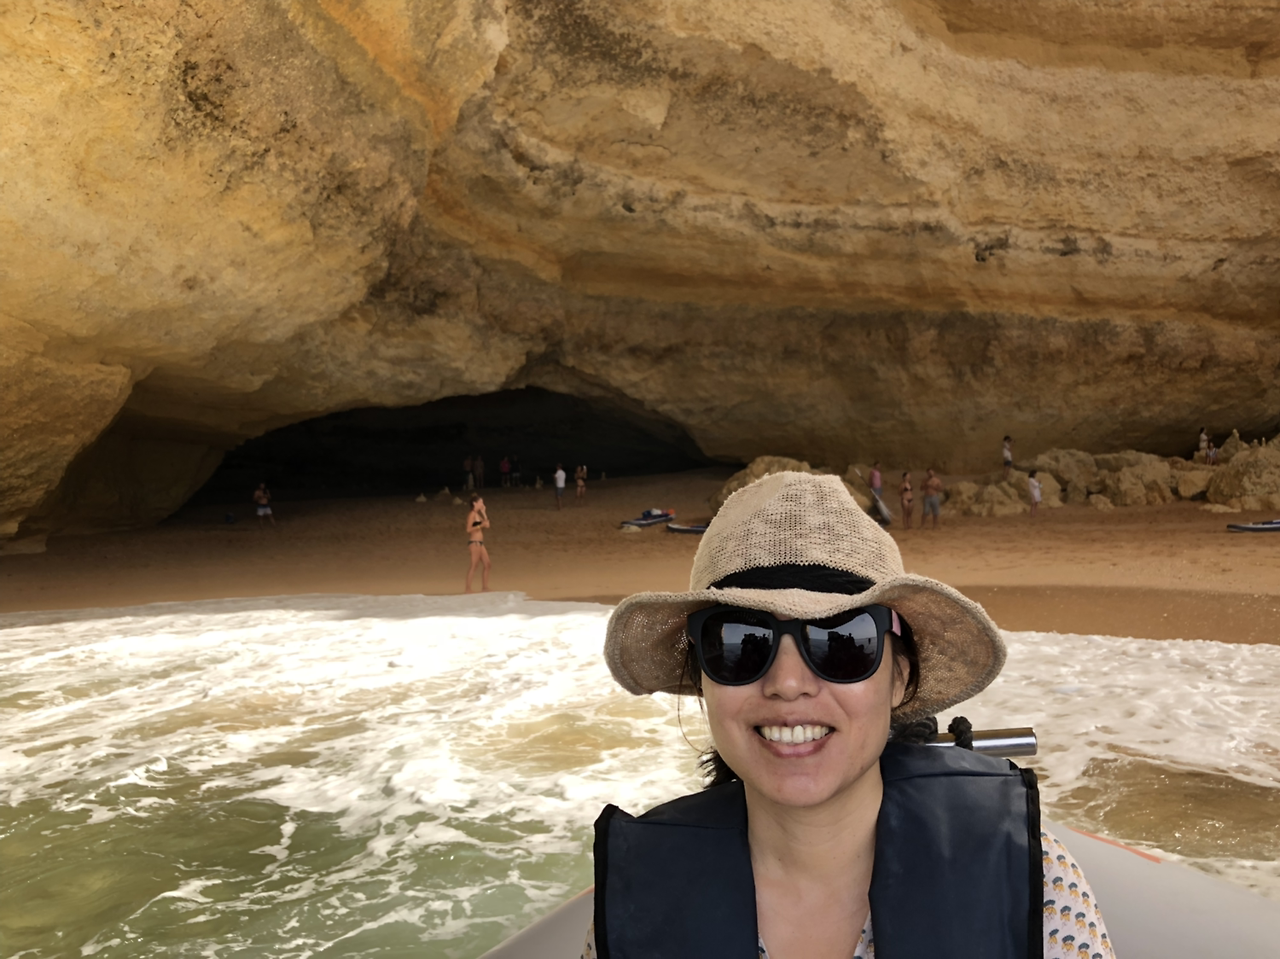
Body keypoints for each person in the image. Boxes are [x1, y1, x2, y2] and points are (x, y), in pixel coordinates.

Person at [582, 472, 1113, 959]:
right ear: (702, 680)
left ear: (899, 678)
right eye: (741, 642)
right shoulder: (633, 905)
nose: (788, 683)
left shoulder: (1034, 880)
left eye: (842, 641)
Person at [464, 493, 490, 593]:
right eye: (480, 502)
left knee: (487, 564)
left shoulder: (477, 515)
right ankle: (468, 588)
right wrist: (480, 526)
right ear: (474, 503)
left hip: (480, 543)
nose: (482, 504)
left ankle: (485, 587)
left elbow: (487, 525)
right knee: (474, 565)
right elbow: (468, 529)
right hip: (474, 542)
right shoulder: (472, 514)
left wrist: (484, 513)